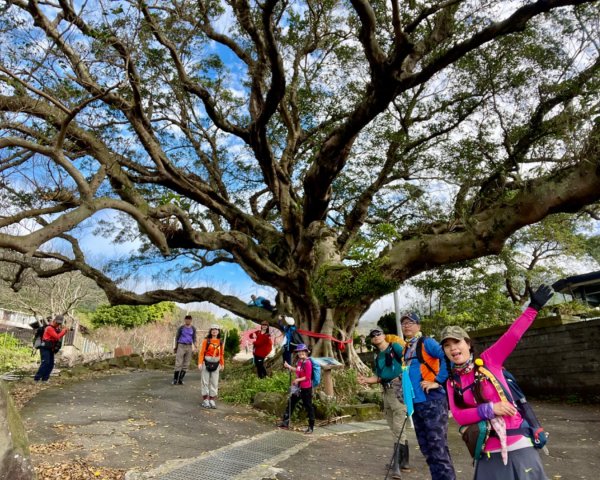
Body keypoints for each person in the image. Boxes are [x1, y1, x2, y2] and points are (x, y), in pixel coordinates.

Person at [440, 284, 553, 480]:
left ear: (467, 344)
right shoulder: (452, 382)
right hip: (486, 452)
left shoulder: (489, 361)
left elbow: (513, 335)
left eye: (457, 342)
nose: (453, 349)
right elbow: (459, 416)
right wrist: (491, 409)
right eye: (447, 346)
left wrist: (533, 308)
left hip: (517, 445)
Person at [401, 312, 456, 480]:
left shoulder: (427, 342)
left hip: (432, 402)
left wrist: (438, 381)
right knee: (427, 449)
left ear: (418, 325)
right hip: (416, 404)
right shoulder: (407, 347)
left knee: (438, 448)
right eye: (404, 323)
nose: (406, 325)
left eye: (411, 322)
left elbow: (449, 357)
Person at [358, 328, 411, 478]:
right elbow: (379, 376)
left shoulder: (395, 347)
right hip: (386, 392)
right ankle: (405, 461)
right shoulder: (378, 356)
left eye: (378, 333)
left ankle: (396, 465)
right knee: (392, 424)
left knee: (398, 426)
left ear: (384, 335)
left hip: (398, 389)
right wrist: (367, 380)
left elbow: (407, 362)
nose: (376, 336)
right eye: (372, 335)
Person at [277, 343, 315, 434]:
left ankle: (311, 427)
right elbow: (298, 370)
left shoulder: (308, 363)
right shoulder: (300, 361)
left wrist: (298, 379)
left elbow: (308, 377)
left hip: (306, 388)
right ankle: (285, 423)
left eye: (302, 351)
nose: (300, 353)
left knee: (308, 406)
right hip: (297, 388)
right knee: (291, 402)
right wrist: (289, 367)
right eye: (299, 352)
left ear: (306, 352)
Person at [34, 315, 69, 382]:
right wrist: (64, 331)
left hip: (51, 348)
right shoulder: (49, 328)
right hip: (44, 348)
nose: (58, 324)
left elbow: (57, 338)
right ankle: (37, 379)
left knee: (51, 364)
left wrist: (64, 331)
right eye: (57, 323)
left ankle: (45, 379)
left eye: (59, 323)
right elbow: (57, 337)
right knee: (45, 363)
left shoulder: (56, 329)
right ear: (54, 321)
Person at [197, 324, 224, 409]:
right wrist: (200, 363)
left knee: (214, 382)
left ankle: (212, 399)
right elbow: (202, 352)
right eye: (213, 329)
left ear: (218, 331)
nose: (214, 331)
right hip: (206, 362)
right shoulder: (206, 341)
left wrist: (222, 364)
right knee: (205, 381)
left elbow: (221, 354)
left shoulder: (220, 341)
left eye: (216, 329)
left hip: (216, 363)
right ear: (210, 331)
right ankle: (205, 400)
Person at [172, 314, 197, 385]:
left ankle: (180, 379)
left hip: (189, 346)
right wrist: (176, 347)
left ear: (191, 320)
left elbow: (194, 338)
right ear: (185, 320)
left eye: (189, 319)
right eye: (186, 319)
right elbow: (177, 337)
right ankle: (175, 379)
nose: (188, 321)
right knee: (178, 363)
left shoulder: (193, 328)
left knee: (186, 363)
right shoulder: (181, 328)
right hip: (181, 345)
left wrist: (195, 346)